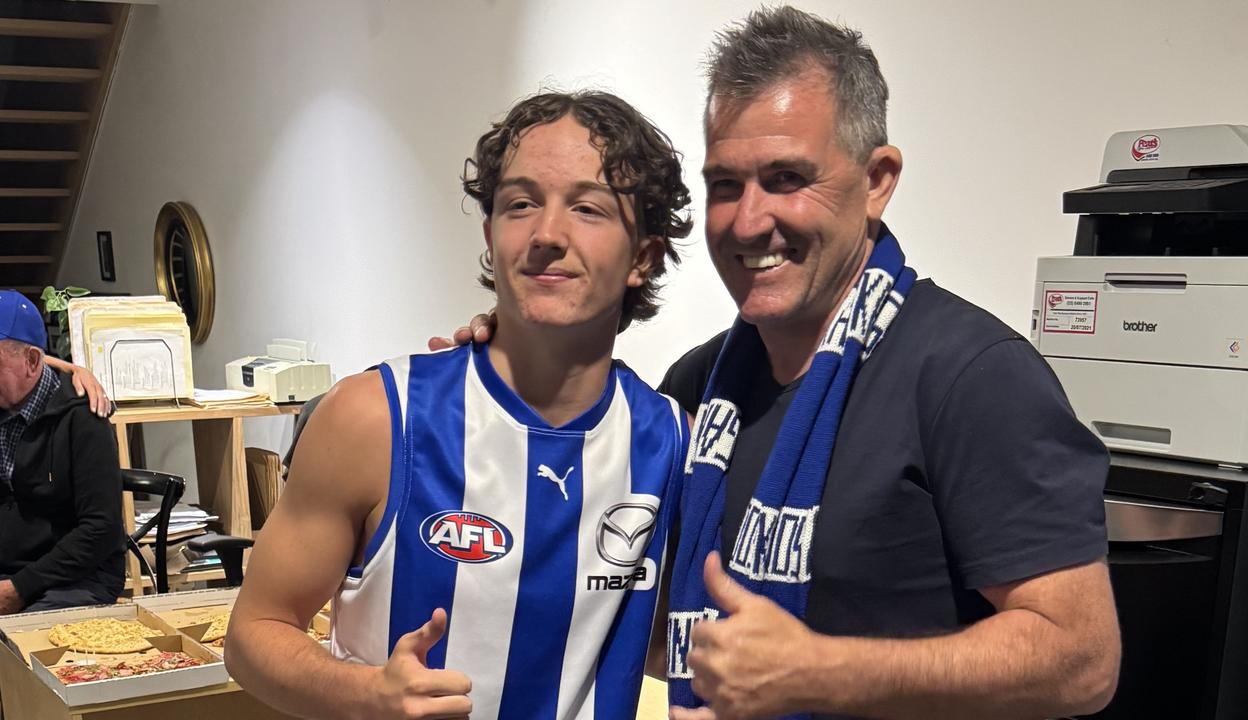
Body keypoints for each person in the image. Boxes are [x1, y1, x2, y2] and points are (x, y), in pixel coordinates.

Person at [441, 8, 1122, 720]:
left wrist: (826, 670)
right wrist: (504, 372)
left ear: (878, 180)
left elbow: (1079, 657)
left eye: (787, 178)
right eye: (727, 185)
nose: (747, 220)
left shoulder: (972, 376)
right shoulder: (699, 390)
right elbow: (641, 620)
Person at [225, 91, 692, 720]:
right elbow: (252, 635)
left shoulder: (672, 443)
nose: (546, 234)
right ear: (491, 233)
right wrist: (366, 695)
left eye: (587, 208)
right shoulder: (375, 419)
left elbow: (671, 643)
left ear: (643, 257)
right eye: (520, 204)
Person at [0, 290, 125, 614]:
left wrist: (21, 587)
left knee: (27, 643)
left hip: (74, 580)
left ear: (30, 361)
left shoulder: (82, 417)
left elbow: (100, 528)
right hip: (11, 574)